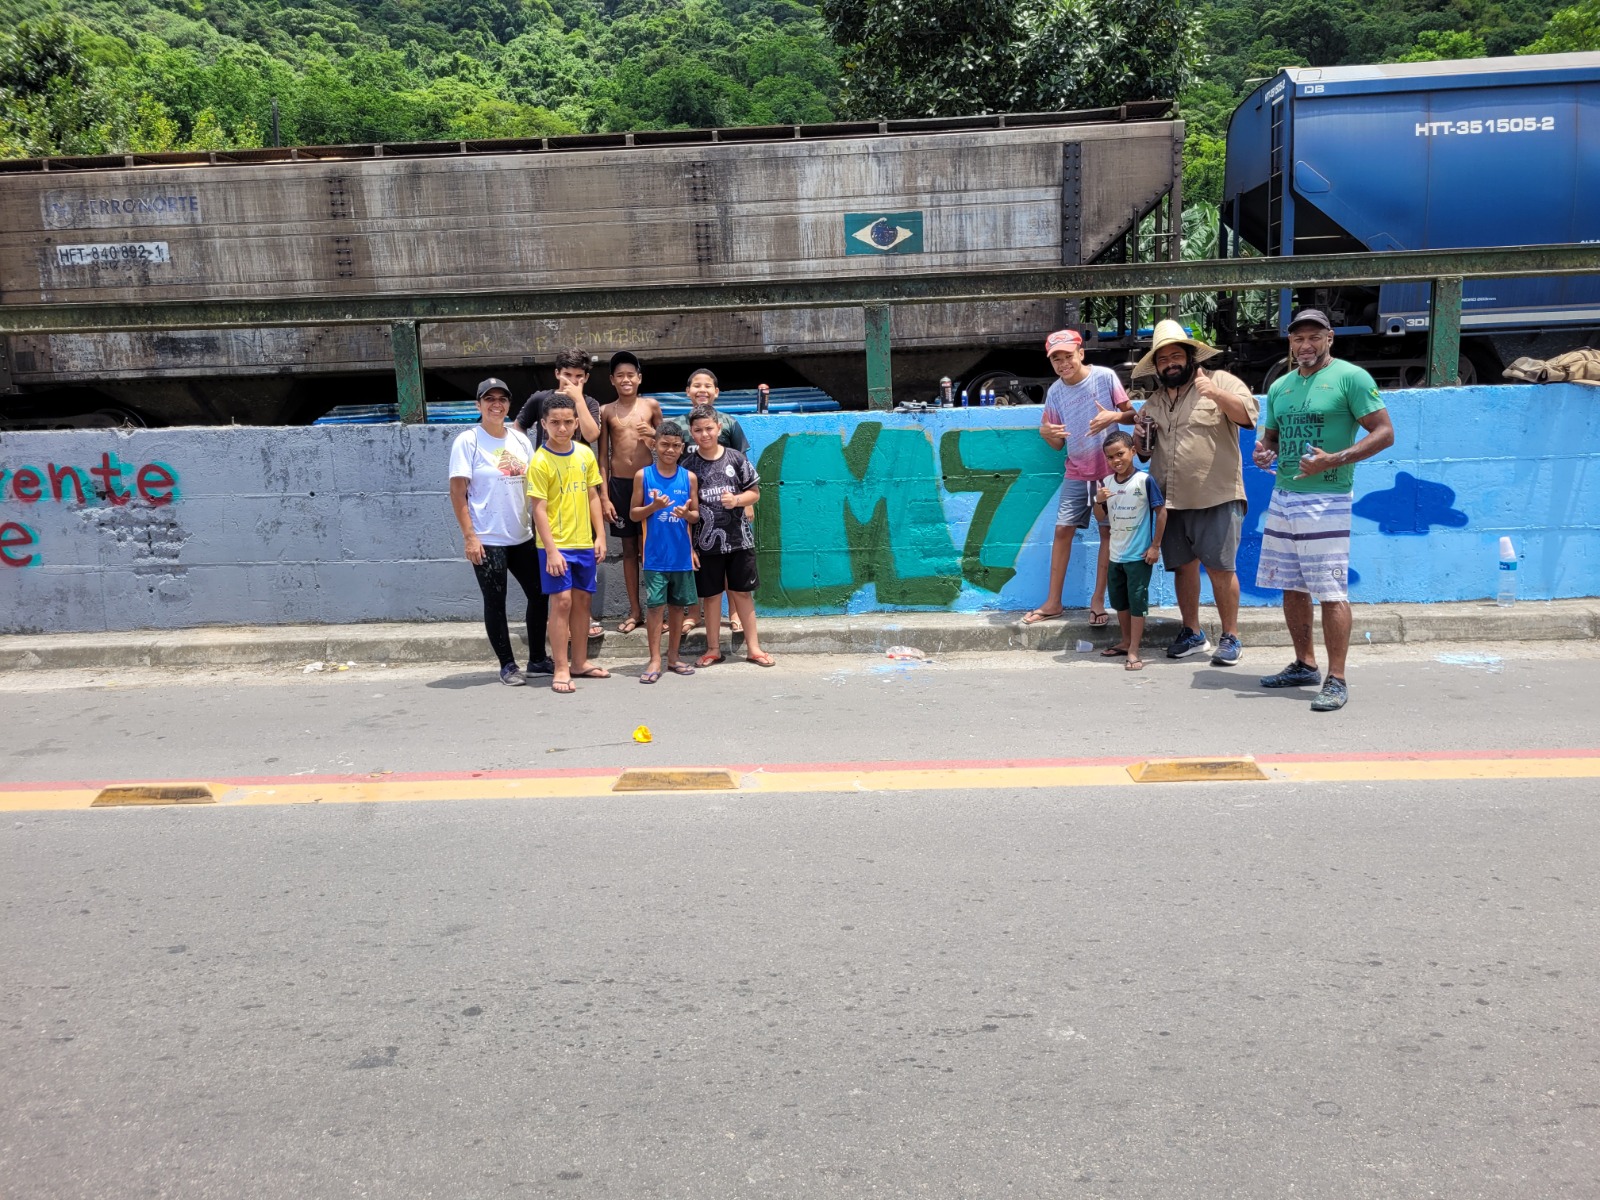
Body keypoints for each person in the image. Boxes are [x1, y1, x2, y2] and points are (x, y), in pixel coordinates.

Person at [1252, 308, 1395, 712]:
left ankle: (1337, 678)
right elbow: (1272, 440)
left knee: (1331, 591)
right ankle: (1304, 663)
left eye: (1314, 337)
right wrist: (1265, 453)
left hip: (1328, 499)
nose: (1305, 346)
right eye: (1298, 339)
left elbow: (1384, 433)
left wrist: (1332, 460)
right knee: (1292, 586)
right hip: (1284, 496)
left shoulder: (1351, 378)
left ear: (1330, 338)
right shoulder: (1280, 387)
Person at [1130, 319, 1260, 666]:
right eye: (1162, 359)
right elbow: (1143, 453)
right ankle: (1192, 632)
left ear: (1190, 357)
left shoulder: (1221, 382)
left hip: (1216, 496)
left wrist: (1215, 394)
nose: (1170, 363)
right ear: (1156, 367)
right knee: (1183, 569)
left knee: (1221, 569)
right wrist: (1139, 437)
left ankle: (1231, 636)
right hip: (1169, 501)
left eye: (1176, 355)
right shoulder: (1154, 401)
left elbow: (1249, 416)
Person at [1022, 329, 1133, 628]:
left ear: (1081, 353)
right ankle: (1053, 601)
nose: (1063, 363)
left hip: (1111, 474)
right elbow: (1057, 442)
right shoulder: (1056, 392)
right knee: (1062, 531)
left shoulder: (1106, 377)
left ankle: (1098, 601)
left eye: (1068, 356)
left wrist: (1113, 416)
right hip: (1077, 472)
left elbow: (1133, 415)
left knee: (1107, 534)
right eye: (1056, 359)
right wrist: (1045, 433)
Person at [448, 378, 549, 685]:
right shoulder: (468, 441)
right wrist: (470, 537)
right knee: (496, 600)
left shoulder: (519, 440)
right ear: (478, 405)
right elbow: (457, 493)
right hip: (488, 539)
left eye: (502, 399)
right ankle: (507, 665)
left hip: (522, 536)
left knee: (540, 594)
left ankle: (537, 659)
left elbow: (535, 486)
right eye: (488, 399)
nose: (496, 404)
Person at [513, 346, 605, 638]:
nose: (572, 381)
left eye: (579, 377)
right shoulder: (541, 399)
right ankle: (558, 625)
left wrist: (577, 400)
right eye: (567, 375)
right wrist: (527, 460)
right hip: (548, 485)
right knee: (554, 562)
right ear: (557, 373)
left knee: (582, 561)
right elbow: (518, 428)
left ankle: (583, 618)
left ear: (586, 378)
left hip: (579, 487)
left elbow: (592, 435)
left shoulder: (589, 402)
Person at [527, 394, 611, 693]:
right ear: (543, 424)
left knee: (583, 602)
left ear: (576, 423)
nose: (561, 428)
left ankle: (579, 663)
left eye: (567, 422)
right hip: (555, 546)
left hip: (583, 543)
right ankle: (561, 668)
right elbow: (538, 508)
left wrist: (599, 536)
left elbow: (592, 496)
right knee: (561, 603)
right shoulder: (539, 461)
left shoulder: (585, 455)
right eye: (555, 423)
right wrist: (550, 550)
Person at [684, 405, 772, 668]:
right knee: (710, 597)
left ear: (719, 429)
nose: (704, 434)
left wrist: (736, 500)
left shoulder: (736, 458)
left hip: (739, 540)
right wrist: (690, 548)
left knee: (743, 594)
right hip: (705, 544)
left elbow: (754, 493)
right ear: (691, 432)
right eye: (698, 430)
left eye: (709, 428)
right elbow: (687, 510)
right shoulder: (688, 466)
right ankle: (713, 649)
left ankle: (754, 648)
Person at [629, 420, 700, 683]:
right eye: (664, 444)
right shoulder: (643, 476)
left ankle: (673, 656)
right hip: (655, 556)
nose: (669, 450)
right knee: (656, 608)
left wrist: (686, 514)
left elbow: (695, 516)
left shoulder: (689, 477)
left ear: (682, 448)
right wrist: (653, 507)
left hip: (681, 557)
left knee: (678, 608)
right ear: (654, 445)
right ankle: (654, 659)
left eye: (675, 446)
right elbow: (634, 514)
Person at [597, 351, 662, 636]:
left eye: (630, 374)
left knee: (651, 548)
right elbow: (602, 457)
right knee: (629, 550)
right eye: (620, 375)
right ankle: (635, 610)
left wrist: (652, 434)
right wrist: (604, 496)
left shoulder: (651, 405)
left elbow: (669, 444)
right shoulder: (606, 411)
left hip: (648, 484)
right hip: (620, 486)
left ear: (639, 378)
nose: (626, 379)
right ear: (612, 380)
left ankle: (656, 608)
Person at [681, 367, 749, 636]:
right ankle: (694, 613)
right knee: (701, 562)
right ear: (687, 392)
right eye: (696, 385)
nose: (702, 390)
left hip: (728, 506)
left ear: (716, 392)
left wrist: (747, 502)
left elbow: (743, 462)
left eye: (707, 385)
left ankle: (733, 613)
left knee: (730, 559)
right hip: (696, 505)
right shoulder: (679, 423)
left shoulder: (729, 423)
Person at [1093, 431, 1168, 673]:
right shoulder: (1106, 483)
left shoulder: (1144, 481)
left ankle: (1135, 649)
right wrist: (1097, 500)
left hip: (1138, 557)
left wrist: (1155, 546)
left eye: (1120, 454)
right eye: (1110, 457)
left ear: (1133, 452)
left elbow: (1162, 512)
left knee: (1137, 603)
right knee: (1119, 602)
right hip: (1116, 556)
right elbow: (1101, 518)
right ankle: (1125, 641)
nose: (1116, 460)